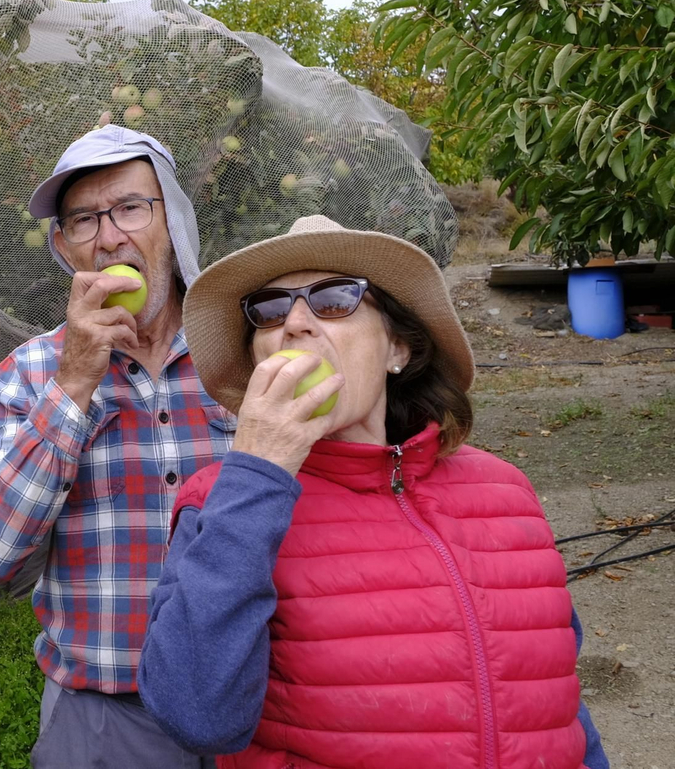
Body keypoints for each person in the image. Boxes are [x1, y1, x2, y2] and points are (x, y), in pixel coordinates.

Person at [138, 215, 609, 769]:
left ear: (398, 350)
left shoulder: (505, 489)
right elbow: (198, 716)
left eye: (334, 299)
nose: (293, 323)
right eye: (268, 309)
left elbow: (556, 696)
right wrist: (257, 471)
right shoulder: (220, 501)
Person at [0, 124, 231, 768]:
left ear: (173, 221)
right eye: (84, 219)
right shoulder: (29, 373)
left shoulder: (242, 349)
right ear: (63, 246)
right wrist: (76, 383)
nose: (110, 236)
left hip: (255, 696)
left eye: (131, 207)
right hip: (105, 717)